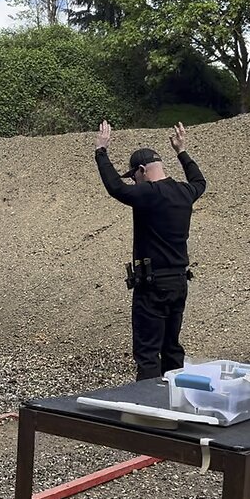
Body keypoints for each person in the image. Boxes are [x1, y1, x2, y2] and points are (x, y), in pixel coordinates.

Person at [95, 120, 207, 380]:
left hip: (153, 285)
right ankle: (177, 402)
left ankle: (149, 409)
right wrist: (182, 151)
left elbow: (115, 188)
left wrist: (101, 151)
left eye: (134, 176)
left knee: (147, 352)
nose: (134, 183)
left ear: (142, 170)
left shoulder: (149, 193)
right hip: (179, 282)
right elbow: (200, 181)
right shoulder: (185, 191)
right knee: (171, 347)